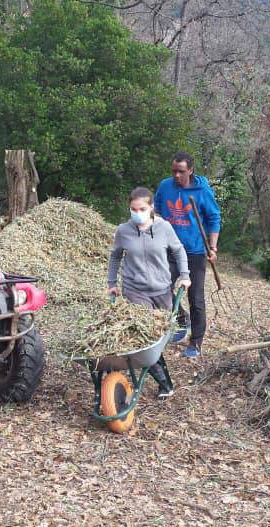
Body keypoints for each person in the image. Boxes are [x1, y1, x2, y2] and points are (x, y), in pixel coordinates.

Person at [107, 187, 191, 398]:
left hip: (162, 290)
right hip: (135, 291)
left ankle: (164, 382)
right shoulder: (124, 230)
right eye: (133, 209)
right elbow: (115, 256)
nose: (137, 212)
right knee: (145, 337)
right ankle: (165, 383)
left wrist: (185, 275)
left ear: (151, 207)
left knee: (157, 339)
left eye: (142, 208)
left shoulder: (164, 228)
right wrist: (111, 282)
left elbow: (179, 250)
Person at [154, 151, 221, 358]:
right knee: (159, 287)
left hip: (194, 252)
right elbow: (156, 210)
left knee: (196, 297)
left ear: (190, 170)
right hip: (169, 249)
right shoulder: (165, 186)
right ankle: (182, 319)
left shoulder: (202, 191)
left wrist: (213, 247)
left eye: (181, 171)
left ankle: (196, 342)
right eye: (173, 170)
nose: (176, 175)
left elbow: (214, 218)